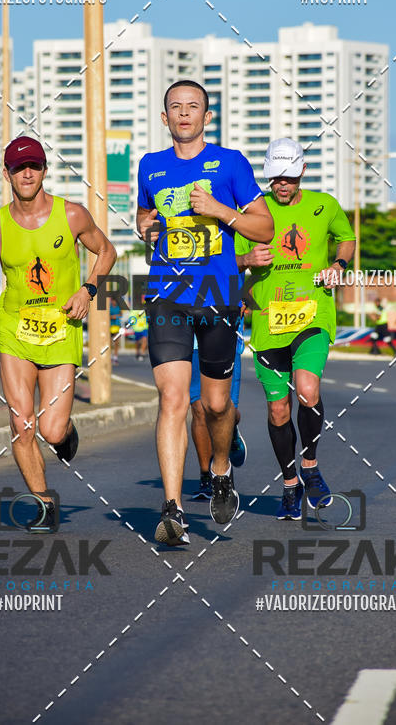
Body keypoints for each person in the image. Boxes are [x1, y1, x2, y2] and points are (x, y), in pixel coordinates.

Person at [137, 80, 274, 545]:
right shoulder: (150, 167)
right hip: (167, 293)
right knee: (173, 399)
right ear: (164, 117)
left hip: (219, 292)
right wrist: (144, 226)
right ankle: (172, 510)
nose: (184, 114)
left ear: (207, 117)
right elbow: (144, 216)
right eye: (175, 107)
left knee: (215, 405)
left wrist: (219, 209)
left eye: (193, 107)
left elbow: (263, 226)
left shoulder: (231, 162)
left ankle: (220, 469)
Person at [0, 136, 116, 531]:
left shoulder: (71, 216)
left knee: (50, 429)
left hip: (60, 330)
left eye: (34, 166)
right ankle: (44, 502)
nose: (27, 173)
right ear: (7, 175)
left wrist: (88, 290)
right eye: (19, 169)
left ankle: (66, 433)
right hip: (15, 332)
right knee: (22, 423)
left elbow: (107, 252)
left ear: (45, 170)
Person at [235, 137, 356, 521]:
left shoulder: (325, 206)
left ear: (302, 171)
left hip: (313, 312)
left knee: (307, 391)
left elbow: (347, 238)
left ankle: (310, 465)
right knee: (277, 410)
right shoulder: (253, 213)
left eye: (288, 177)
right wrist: (247, 259)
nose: (282, 185)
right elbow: (230, 263)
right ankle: (290, 483)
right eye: (275, 178)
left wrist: (338, 266)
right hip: (269, 323)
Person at [190, 315, 247, 500]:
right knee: (199, 410)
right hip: (191, 345)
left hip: (225, 339)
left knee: (224, 410)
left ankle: (231, 434)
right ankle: (207, 476)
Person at [110, 299, 121, 364]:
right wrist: (111, 317)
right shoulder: (109, 307)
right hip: (110, 326)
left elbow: (120, 314)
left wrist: (117, 316)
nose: (114, 302)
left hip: (117, 326)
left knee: (117, 343)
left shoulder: (118, 307)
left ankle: (115, 357)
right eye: (113, 301)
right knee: (110, 343)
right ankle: (110, 356)